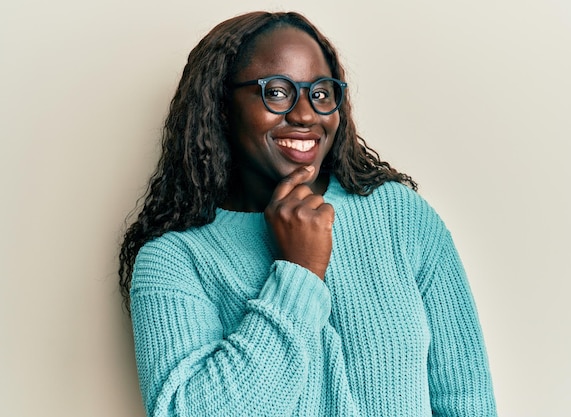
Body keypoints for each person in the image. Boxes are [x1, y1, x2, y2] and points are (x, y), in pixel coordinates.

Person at [119, 10, 497, 417]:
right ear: (222, 107)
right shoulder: (174, 259)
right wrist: (298, 274)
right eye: (277, 92)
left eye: (320, 93)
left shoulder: (400, 217)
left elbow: (466, 400)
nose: (305, 115)